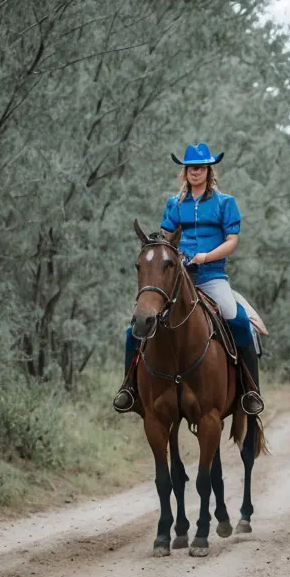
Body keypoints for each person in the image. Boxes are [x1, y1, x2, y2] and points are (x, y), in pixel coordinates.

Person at [113, 142, 263, 416]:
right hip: (176, 278)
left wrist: (205, 257)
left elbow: (232, 242)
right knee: (136, 327)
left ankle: (251, 389)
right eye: (191, 168)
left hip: (211, 276)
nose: (195, 172)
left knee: (237, 319)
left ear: (208, 171)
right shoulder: (174, 204)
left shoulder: (224, 203)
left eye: (201, 168)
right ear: (185, 172)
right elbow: (166, 240)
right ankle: (129, 389)